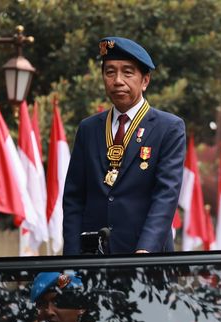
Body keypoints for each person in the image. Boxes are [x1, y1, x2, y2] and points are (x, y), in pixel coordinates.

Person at [63, 36, 186, 255]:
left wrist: (145, 251)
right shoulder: (88, 129)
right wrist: (72, 260)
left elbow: (166, 196)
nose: (118, 80)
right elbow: (74, 199)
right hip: (93, 262)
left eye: (127, 72)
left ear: (145, 80)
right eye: (110, 72)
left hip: (146, 260)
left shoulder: (169, 128)